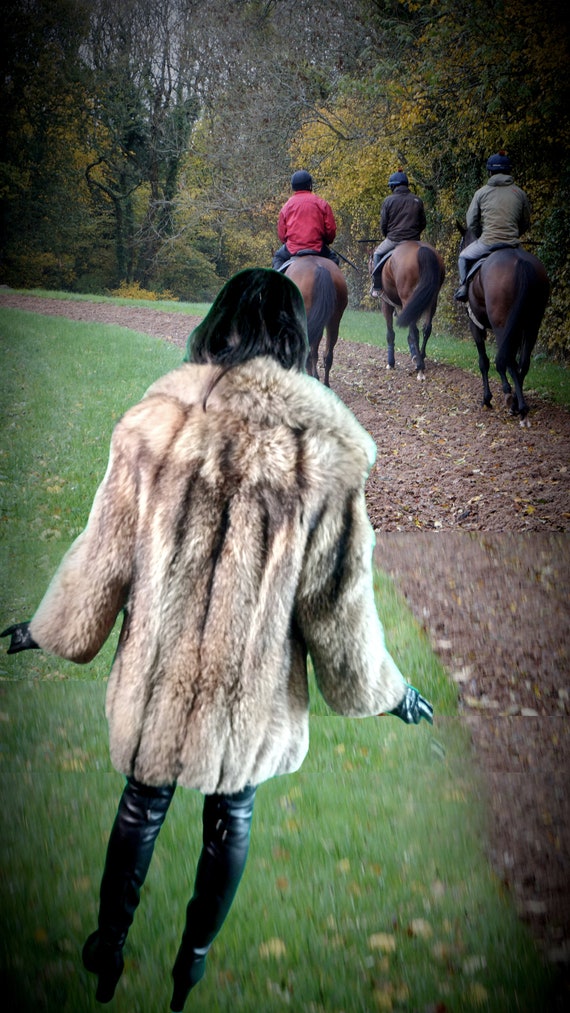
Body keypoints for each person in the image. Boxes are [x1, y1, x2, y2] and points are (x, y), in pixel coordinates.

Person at [2, 268, 433, 1011]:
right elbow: (338, 605)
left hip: (160, 672)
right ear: (295, 335)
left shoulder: (155, 422)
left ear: (219, 321)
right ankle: (193, 959)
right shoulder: (324, 452)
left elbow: (104, 552)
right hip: (250, 691)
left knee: (141, 802)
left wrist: (48, 629)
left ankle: (109, 940)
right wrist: (389, 689)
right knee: (232, 814)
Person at [454, 152, 531, 301]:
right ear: (510, 171)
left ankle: (463, 287)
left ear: (490, 172)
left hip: (488, 243)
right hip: (512, 244)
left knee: (463, 257)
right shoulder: (520, 193)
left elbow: (471, 222)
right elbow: (526, 221)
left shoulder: (481, 193)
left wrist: (480, 235)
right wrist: (513, 234)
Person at [370, 171, 427, 295]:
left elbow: (383, 224)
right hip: (414, 241)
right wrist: (414, 235)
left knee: (377, 254)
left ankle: (377, 286)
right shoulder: (417, 200)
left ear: (393, 186)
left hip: (394, 239)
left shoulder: (388, 201)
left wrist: (388, 236)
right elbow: (423, 223)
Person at [272, 170, 340, 270]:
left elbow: (282, 236)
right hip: (318, 248)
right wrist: (325, 241)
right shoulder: (322, 204)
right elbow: (331, 231)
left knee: (278, 258)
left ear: (293, 186)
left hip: (292, 249)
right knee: (334, 261)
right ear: (309, 184)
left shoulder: (286, 207)